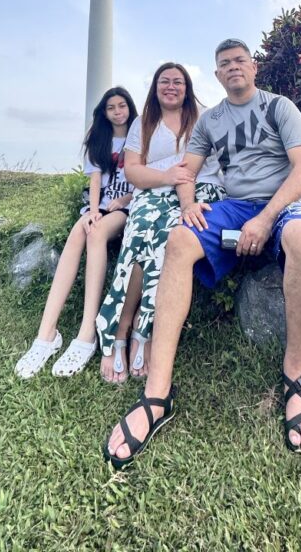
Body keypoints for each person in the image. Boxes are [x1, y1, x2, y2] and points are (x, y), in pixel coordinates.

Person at [104, 39, 301, 468]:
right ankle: (156, 393)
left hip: (283, 203)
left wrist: (264, 220)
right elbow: (187, 169)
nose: (233, 67)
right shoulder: (211, 121)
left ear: (253, 67)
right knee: (180, 239)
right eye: (224, 64)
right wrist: (187, 204)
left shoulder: (280, 108)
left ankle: (295, 375)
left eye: (240, 60)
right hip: (234, 207)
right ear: (218, 75)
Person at [96, 63, 222, 384]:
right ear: (155, 87)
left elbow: (203, 166)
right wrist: (166, 175)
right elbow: (134, 171)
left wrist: (183, 191)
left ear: (187, 87)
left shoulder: (203, 117)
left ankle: (145, 327)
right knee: (139, 234)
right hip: (152, 189)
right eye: (164, 81)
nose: (171, 87)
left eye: (177, 82)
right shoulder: (143, 123)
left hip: (198, 190)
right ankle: (120, 326)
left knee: (167, 238)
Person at [14, 86, 139, 379]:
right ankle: (47, 334)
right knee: (79, 232)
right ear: (103, 113)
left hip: (126, 207)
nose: (118, 111)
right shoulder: (98, 139)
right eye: (111, 107)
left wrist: (119, 203)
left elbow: (143, 181)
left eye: (122, 106)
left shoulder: (140, 135)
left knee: (96, 234)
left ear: (130, 108)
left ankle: (87, 332)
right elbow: (95, 180)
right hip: (101, 206)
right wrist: (94, 210)